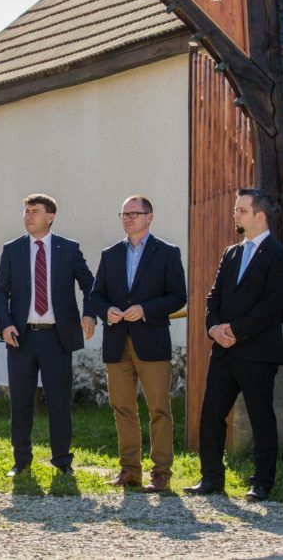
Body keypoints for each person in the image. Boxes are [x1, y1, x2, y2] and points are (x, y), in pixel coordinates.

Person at [184, 189, 283, 502]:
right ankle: (211, 478)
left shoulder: (280, 255)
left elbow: (272, 305)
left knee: (260, 417)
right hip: (223, 350)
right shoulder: (231, 253)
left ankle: (261, 482)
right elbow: (213, 297)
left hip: (257, 352)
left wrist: (236, 330)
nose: (235, 214)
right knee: (211, 414)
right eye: (236, 209)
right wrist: (214, 329)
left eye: (241, 210)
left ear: (260, 216)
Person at [0, 193, 96, 477]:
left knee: (59, 402)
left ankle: (62, 460)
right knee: (20, 402)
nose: (28, 216)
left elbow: (90, 284)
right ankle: (21, 460)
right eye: (26, 211)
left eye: (34, 211)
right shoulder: (12, 249)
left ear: (50, 217)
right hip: (21, 337)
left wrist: (89, 314)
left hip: (56, 338)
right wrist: (5, 324)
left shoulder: (69, 249)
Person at [89, 195, 187, 493]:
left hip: (151, 341)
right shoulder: (110, 254)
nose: (128, 218)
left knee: (159, 409)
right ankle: (130, 470)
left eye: (134, 213)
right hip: (117, 342)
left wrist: (145, 309)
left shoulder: (167, 252)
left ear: (149, 217)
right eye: (124, 214)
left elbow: (178, 296)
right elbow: (96, 295)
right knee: (122, 408)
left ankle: (161, 473)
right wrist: (106, 310)